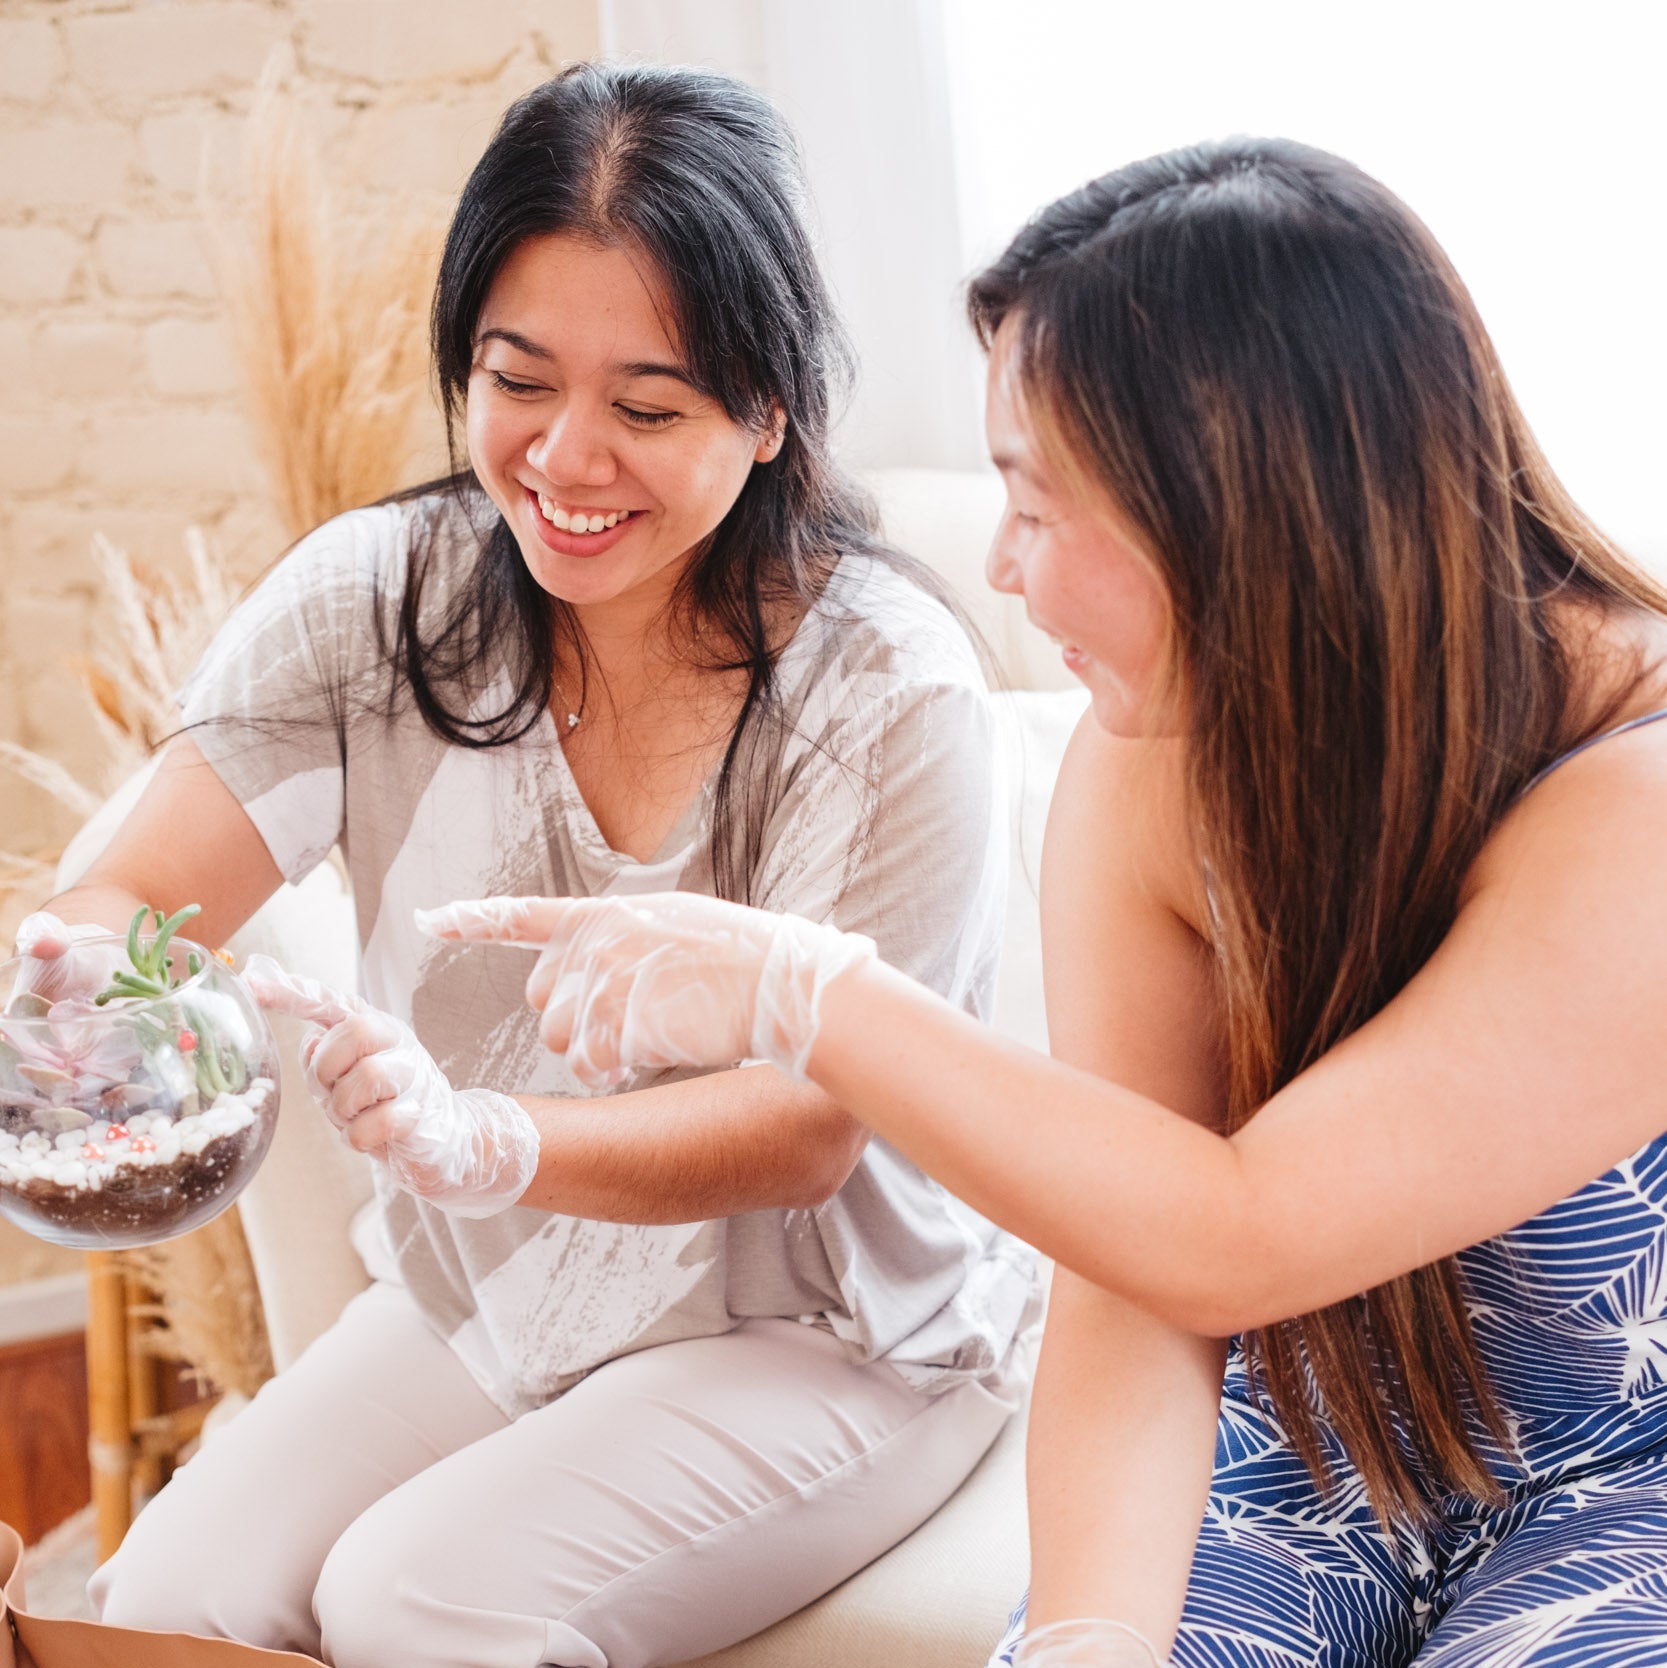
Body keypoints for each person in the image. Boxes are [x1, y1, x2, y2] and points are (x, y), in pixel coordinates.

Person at [423, 138, 1667, 1667]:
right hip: (1316, 1462)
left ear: (1246, 508)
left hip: (1635, 1483)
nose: (1000, 568)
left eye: (1038, 500)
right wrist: (1087, 1632)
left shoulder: (1638, 799)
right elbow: (1137, 1268)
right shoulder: (1156, 757)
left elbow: (1239, 1232)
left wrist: (806, 997)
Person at [16, 62, 1039, 1668]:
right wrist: (88, 983)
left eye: (648, 408)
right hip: (495, 1299)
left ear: (768, 415)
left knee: (416, 1601)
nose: (568, 460)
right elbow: (132, 901)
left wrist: (487, 1136)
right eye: (517, 381)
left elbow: (812, 1128)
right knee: (162, 1603)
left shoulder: (887, 683)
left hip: (834, 1331)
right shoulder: (379, 599)